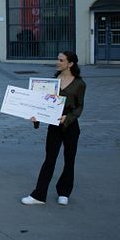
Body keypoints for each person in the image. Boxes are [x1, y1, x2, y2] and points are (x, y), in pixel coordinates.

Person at [21, 51, 86, 206]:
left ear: (70, 64)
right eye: (58, 59)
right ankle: (39, 195)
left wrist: (68, 118)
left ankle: (64, 192)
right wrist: (35, 118)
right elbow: (42, 104)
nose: (57, 62)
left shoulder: (79, 83)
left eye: (61, 60)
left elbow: (79, 107)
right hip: (54, 125)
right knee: (49, 159)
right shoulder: (52, 82)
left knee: (69, 160)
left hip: (70, 126)